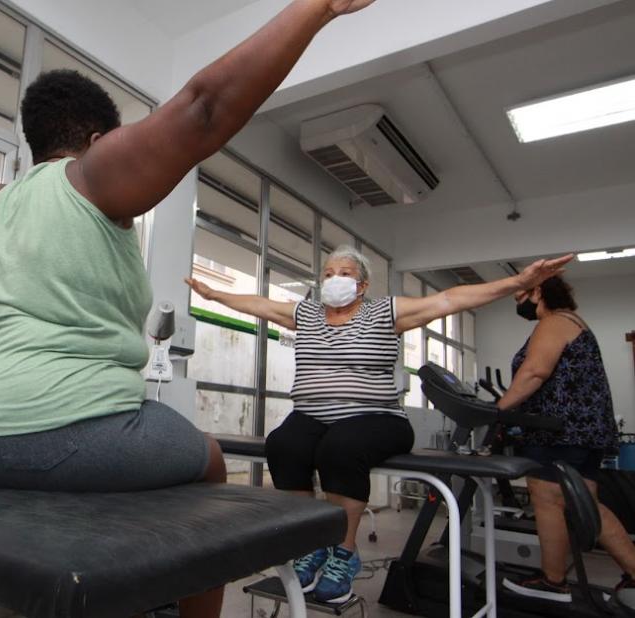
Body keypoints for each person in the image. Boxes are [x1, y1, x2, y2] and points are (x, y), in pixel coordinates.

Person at [0, 2, 382, 617]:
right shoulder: (91, 175)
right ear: (99, 140)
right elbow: (204, 108)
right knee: (207, 463)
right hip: (54, 429)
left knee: (131, 463)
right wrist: (317, 9)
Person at [185, 246, 572, 603]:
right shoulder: (306, 313)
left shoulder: (384, 312)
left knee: (341, 447)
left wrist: (518, 283)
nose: (335, 278)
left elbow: (449, 298)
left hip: (377, 417)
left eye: (345, 272)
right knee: (283, 444)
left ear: (362, 284)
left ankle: (344, 552)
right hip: (312, 415)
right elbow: (259, 303)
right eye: (329, 272)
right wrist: (214, 295)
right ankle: (309, 543)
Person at [498, 276, 635, 609]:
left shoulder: (554, 321)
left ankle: (552, 581)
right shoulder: (573, 322)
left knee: (547, 499)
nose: (519, 304)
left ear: (539, 291)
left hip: (561, 433)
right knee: (586, 503)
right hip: (585, 432)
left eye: (521, 296)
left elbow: (534, 372)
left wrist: (495, 411)